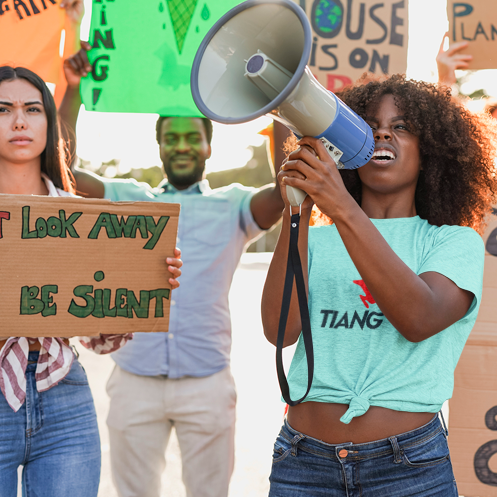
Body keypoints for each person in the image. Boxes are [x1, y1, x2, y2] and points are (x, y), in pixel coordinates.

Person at [261, 74, 497, 496]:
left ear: (431, 152)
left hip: (407, 467)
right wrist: (295, 212)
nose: (382, 133)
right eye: (369, 124)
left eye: (402, 126)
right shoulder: (316, 237)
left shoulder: (452, 241)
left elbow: (419, 317)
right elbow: (279, 331)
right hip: (302, 462)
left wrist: (340, 208)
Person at [59, 46, 286, 497]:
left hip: (208, 385)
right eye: (172, 137)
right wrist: (72, 92)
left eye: (191, 137)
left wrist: (279, 104)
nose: (182, 145)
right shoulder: (126, 198)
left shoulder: (235, 205)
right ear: (159, 145)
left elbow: (286, 188)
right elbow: (61, 172)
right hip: (134, 383)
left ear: (207, 145)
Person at [0, 66, 182, 497]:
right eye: (3, 109)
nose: (20, 121)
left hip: (63, 394)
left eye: (33, 109)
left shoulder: (85, 219)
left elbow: (101, 331)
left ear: (48, 123)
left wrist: (146, 279)